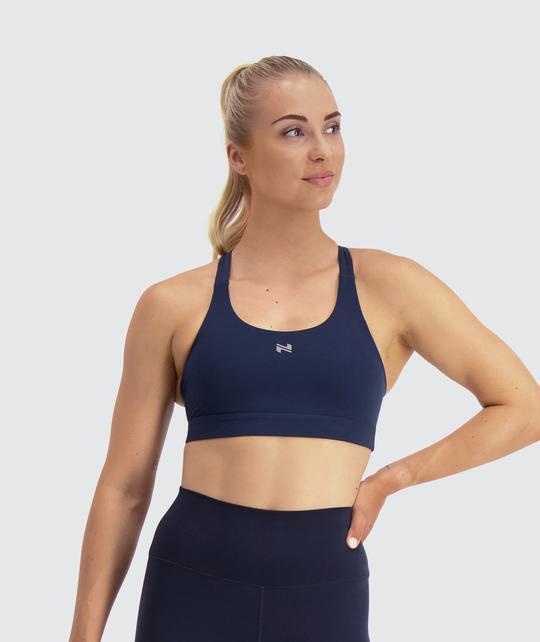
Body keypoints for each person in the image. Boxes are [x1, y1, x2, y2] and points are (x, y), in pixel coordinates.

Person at [68, 55, 540, 642]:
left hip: (324, 590)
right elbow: (124, 488)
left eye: (332, 127)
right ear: (238, 156)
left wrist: (394, 478)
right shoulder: (172, 304)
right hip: (191, 585)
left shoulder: (391, 286)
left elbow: (524, 406)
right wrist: (83, 636)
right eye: (294, 132)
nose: (322, 150)